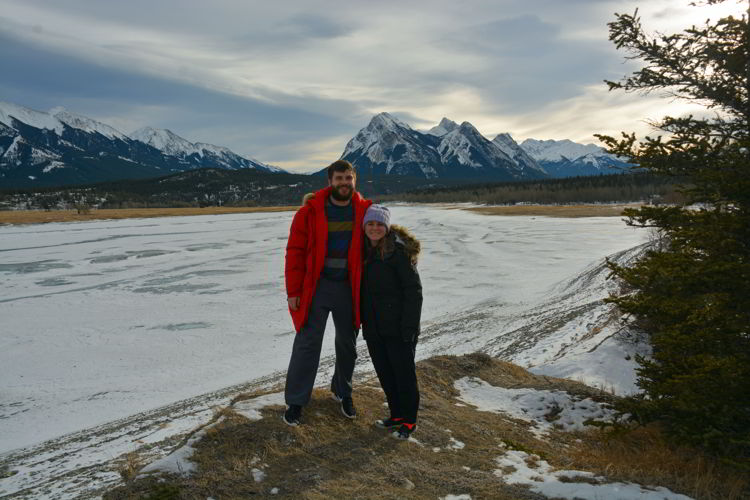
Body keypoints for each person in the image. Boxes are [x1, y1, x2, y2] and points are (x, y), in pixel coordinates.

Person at [282, 160, 372, 426]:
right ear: (329, 182)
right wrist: (293, 291)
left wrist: (407, 256)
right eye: (339, 179)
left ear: (355, 180)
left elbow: (383, 239)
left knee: (347, 344)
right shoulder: (309, 213)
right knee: (307, 343)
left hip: (348, 287)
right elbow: (294, 254)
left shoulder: (366, 211)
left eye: (348, 178)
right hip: (317, 287)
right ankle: (296, 401)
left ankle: (343, 392)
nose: (344, 183)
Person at [360, 205, 423, 440]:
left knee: (404, 375)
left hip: (399, 328)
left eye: (379, 224)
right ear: (364, 227)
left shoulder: (397, 253)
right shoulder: (366, 253)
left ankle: (409, 421)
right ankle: (395, 415)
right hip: (375, 328)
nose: (374, 228)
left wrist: (409, 327)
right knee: (386, 374)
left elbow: (413, 291)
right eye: (370, 224)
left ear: (386, 228)